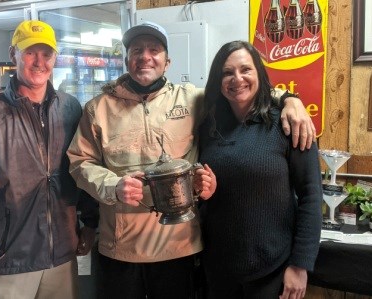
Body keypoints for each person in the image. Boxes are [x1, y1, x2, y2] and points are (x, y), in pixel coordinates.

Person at [67, 22, 315, 299]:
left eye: (154, 50)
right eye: (137, 50)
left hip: (180, 247)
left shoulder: (192, 99)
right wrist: (112, 186)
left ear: (167, 61)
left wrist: (291, 99)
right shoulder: (97, 109)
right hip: (121, 247)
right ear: (127, 59)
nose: (145, 56)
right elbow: (79, 162)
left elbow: (243, 90)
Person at [0, 20, 97, 298]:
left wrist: (90, 223)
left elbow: (83, 169)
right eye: (30, 52)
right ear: (13, 54)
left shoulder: (69, 108)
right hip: (13, 254)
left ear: (55, 58)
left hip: (64, 251)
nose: (39, 61)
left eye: (47, 54)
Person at [198, 40, 323, 299]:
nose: (237, 78)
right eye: (227, 72)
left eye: (246, 69)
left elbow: (311, 195)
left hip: (271, 271)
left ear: (259, 74)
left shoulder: (288, 123)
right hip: (217, 269)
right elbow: (206, 194)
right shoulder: (208, 127)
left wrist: (300, 265)